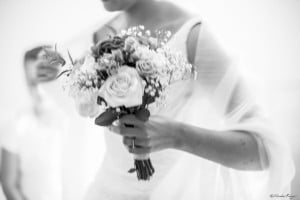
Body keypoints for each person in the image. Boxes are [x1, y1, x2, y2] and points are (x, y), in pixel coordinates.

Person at [0, 46, 67, 200]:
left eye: (44, 79)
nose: (38, 89)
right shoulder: (16, 124)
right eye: (32, 82)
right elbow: (9, 184)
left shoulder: (77, 116)